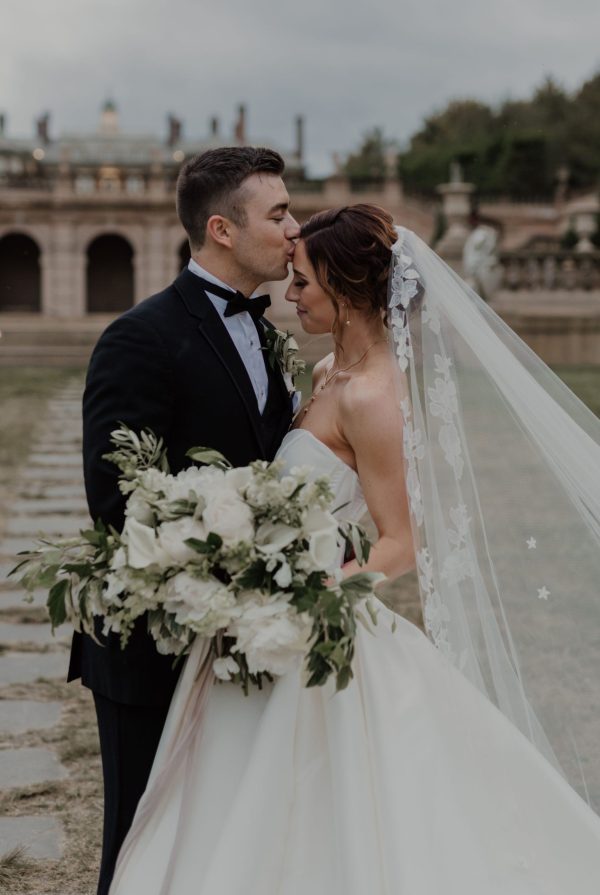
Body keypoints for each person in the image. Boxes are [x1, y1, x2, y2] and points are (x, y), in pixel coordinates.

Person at [109, 205, 600, 893]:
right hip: (268, 617)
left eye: (303, 281)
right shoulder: (330, 371)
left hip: (319, 621)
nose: (291, 294)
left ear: (342, 285)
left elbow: (400, 540)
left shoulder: (373, 396)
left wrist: (319, 597)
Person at [67, 146, 300, 895]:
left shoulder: (268, 335)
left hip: (246, 634)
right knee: (143, 844)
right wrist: (228, 551)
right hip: (152, 641)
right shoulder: (139, 337)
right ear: (223, 230)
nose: (295, 228)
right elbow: (118, 496)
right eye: (279, 213)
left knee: (226, 844)